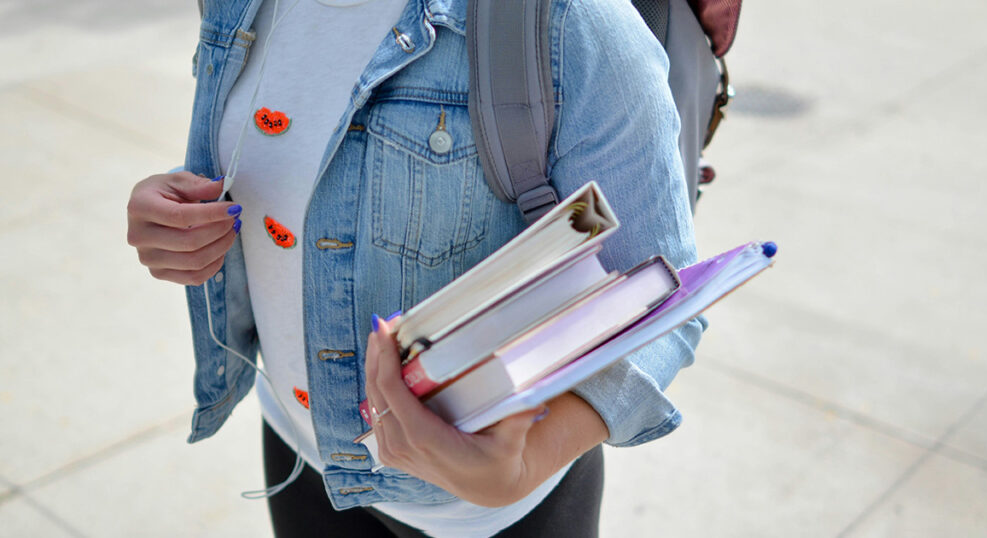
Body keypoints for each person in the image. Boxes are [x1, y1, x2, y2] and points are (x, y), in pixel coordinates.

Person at [126, 0, 718, 535]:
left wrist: (524, 465)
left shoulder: (569, 19)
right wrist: (176, 221)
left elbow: (658, 295)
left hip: (489, 515)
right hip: (298, 449)